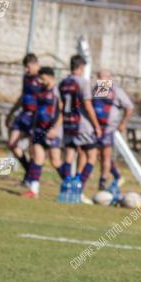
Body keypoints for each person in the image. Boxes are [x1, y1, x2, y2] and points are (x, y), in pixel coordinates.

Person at [59, 55, 102, 203]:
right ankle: (79, 187)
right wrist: (96, 125)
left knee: (70, 155)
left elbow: (61, 105)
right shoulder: (83, 83)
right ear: (81, 67)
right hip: (82, 125)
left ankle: (66, 186)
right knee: (92, 156)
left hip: (68, 123)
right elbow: (88, 105)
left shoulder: (63, 83)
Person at [23, 67, 63, 198]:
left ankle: (71, 185)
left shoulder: (57, 92)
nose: (39, 81)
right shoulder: (41, 91)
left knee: (55, 161)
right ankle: (34, 190)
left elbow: (62, 112)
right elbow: (37, 110)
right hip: (39, 130)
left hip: (52, 131)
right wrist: (33, 128)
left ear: (50, 76)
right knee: (37, 158)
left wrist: (55, 128)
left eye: (42, 78)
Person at [91, 70, 134, 191]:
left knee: (105, 155)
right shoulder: (95, 90)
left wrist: (123, 123)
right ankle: (116, 176)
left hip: (108, 128)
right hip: (95, 127)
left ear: (109, 78)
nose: (101, 79)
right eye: (99, 77)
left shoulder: (116, 91)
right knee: (97, 155)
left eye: (104, 77)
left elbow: (129, 107)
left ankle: (103, 181)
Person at [7, 54, 41, 182]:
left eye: (28, 67)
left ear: (35, 64)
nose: (26, 70)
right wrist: (11, 113)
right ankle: (27, 172)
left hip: (35, 118)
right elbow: (23, 96)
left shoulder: (41, 79)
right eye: (25, 67)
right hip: (23, 115)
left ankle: (30, 178)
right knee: (12, 144)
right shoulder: (26, 77)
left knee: (34, 150)